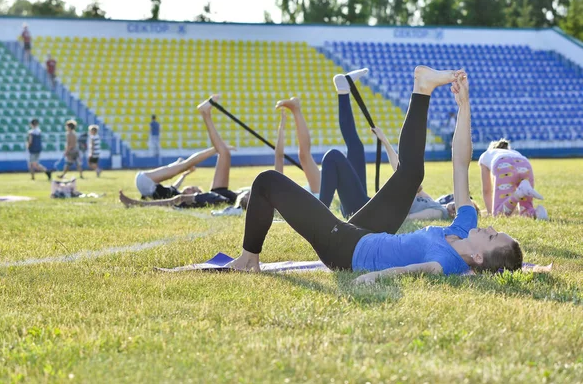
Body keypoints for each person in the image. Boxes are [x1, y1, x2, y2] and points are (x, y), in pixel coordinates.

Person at [226, 67, 523, 281]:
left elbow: (408, 272)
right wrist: (464, 106)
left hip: (344, 251)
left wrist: (371, 279)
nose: (489, 229)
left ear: (480, 257)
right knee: (410, 175)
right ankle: (422, 87)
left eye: (493, 236)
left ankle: (249, 259)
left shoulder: (445, 263)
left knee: (266, 181)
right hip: (369, 234)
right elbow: (461, 164)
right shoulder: (464, 227)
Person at [120, 96, 240, 208]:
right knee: (220, 153)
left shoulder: (181, 195)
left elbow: (175, 192)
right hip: (223, 192)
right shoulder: (192, 194)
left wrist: (183, 174)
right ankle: (206, 114)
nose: (191, 190)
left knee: (186, 166)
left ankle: (206, 115)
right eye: (194, 189)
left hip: (148, 182)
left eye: (193, 191)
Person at [478, 138, 547, 219]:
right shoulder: (513, 152)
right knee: (525, 209)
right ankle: (536, 213)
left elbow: (487, 190)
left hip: (503, 164)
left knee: (498, 215)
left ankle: (519, 193)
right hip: (525, 164)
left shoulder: (485, 155)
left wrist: (490, 213)